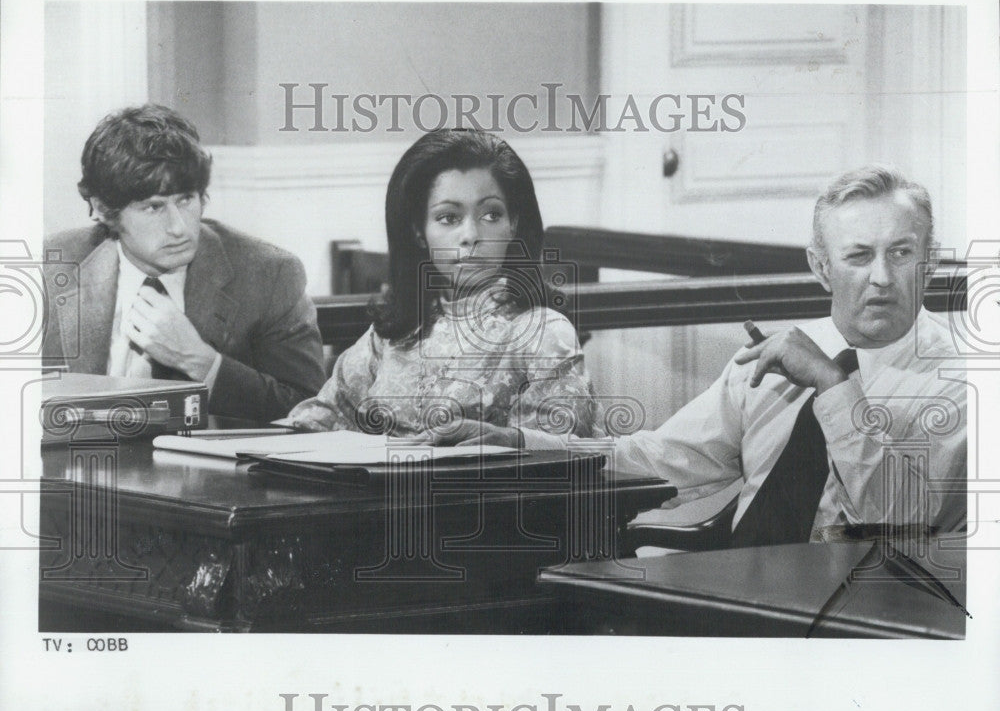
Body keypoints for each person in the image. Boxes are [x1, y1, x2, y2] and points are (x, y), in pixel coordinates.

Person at [612, 165, 967, 545]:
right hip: (737, 586)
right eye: (859, 256)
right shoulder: (778, 354)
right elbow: (665, 460)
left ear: (928, 264)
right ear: (821, 267)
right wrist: (544, 446)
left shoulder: (964, 381)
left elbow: (901, 528)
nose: (881, 276)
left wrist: (832, 384)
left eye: (901, 253)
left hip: (870, 598)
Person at [284, 129, 599, 447]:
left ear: (514, 224)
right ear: (419, 233)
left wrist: (504, 441)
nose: (471, 235)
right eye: (449, 217)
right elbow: (322, 416)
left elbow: (563, 454)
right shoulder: (397, 330)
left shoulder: (543, 331)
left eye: (491, 214)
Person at [43, 104, 326, 422]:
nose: (179, 227)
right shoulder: (52, 267)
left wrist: (201, 361)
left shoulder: (270, 274)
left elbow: (310, 410)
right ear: (103, 209)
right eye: (153, 207)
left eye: (186, 199)